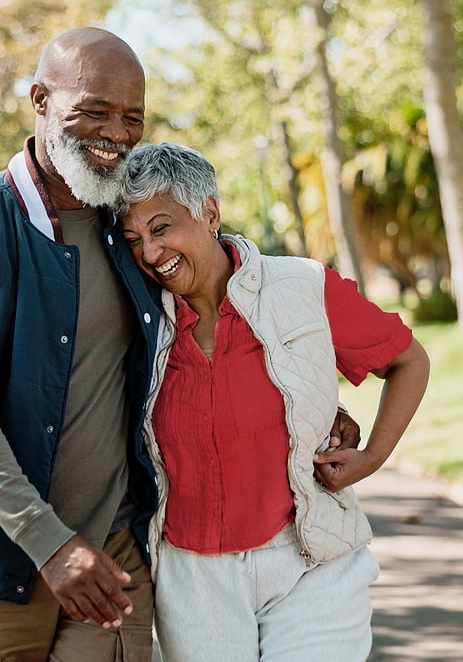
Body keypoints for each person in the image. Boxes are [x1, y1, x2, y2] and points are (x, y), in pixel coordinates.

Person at [0, 29, 361, 662]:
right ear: (40, 100)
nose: (115, 132)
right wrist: (51, 545)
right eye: (94, 111)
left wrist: (305, 405)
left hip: (117, 542)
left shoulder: (131, 224)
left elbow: (223, 305)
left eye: (131, 117)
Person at [117, 142, 431, 662]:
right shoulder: (138, 318)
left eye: (162, 227)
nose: (150, 253)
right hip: (194, 577)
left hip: (308, 561)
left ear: (210, 213)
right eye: (134, 239)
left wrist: (371, 455)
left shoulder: (302, 286)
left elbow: (408, 361)